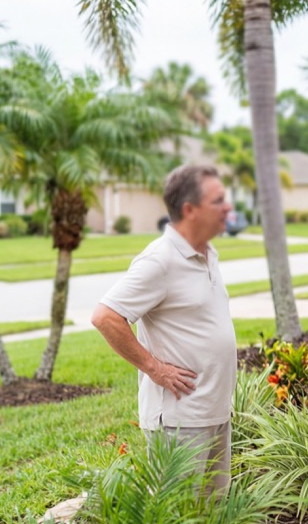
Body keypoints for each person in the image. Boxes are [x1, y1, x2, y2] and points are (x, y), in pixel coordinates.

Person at [91, 164, 237, 495]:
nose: (227, 208)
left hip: (213, 412)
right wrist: (155, 369)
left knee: (213, 523)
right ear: (190, 210)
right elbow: (105, 316)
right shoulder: (160, 260)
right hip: (179, 421)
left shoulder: (207, 253)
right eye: (218, 201)